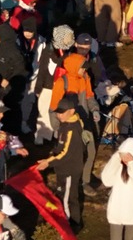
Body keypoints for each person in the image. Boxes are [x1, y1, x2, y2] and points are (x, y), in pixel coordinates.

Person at [37, 96, 92, 226]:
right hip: (63, 168)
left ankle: (70, 226)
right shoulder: (66, 125)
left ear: (71, 111)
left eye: (62, 112)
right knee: (65, 195)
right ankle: (72, 223)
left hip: (69, 169)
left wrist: (48, 162)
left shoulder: (71, 129)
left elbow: (65, 153)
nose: (59, 115)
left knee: (67, 199)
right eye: (57, 112)